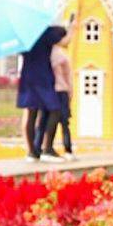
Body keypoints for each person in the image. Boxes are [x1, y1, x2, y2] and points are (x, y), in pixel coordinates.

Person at [17, 22, 67, 163]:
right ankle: (48, 149)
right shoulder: (46, 32)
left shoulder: (23, 34)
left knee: (31, 113)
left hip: (28, 76)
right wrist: (74, 28)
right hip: (43, 76)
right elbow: (64, 42)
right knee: (55, 109)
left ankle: (32, 152)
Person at [46, 30, 75, 157]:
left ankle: (46, 146)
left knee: (47, 121)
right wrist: (70, 91)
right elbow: (68, 76)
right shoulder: (62, 56)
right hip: (61, 90)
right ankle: (67, 149)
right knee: (64, 121)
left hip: (49, 91)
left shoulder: (46, 53)